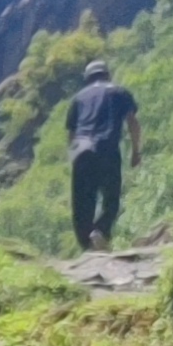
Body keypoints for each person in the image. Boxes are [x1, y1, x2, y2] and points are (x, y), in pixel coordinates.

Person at [65, 58, 142, 251]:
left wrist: (73, 159)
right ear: (107, 75)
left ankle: (87, 245)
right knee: (111, 198)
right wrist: (135, 152)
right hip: (107, 146)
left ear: (87, 78)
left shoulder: (78, 98)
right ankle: (100, 231)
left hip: (81, 150)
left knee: (82, 203)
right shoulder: (119, 92)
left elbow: (72, 134)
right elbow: (132, 123)